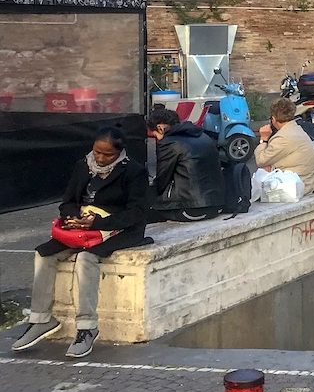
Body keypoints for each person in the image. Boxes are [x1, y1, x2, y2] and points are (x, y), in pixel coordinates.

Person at [10, 127, 149, 358]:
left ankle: (87, 327)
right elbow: (67, 201)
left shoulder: (134, 171)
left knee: (86, 258)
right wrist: (72, 217)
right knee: (44, 255)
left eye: (107, 155)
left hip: (118, 227)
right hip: (82, 227)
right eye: (97, 152)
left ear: (120, 153)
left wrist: (98, 222)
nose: (100, 159)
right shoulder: (83, 165)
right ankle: (41, 319)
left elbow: (137, 212)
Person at [147, 108, 224, 222]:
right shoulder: (204, 136)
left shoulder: (169, 142)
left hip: (190, 209)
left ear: (160, 128)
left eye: (155, 136)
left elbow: (162, 179)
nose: (157, 140)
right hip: (217, 206)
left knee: (142, 213)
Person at [255, 97, 314, 194]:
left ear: (273, 119)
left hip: (294, 188)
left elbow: (260, 160)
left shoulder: (282, 138)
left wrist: (263, 139)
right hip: (304, 183)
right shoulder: (297, 129)